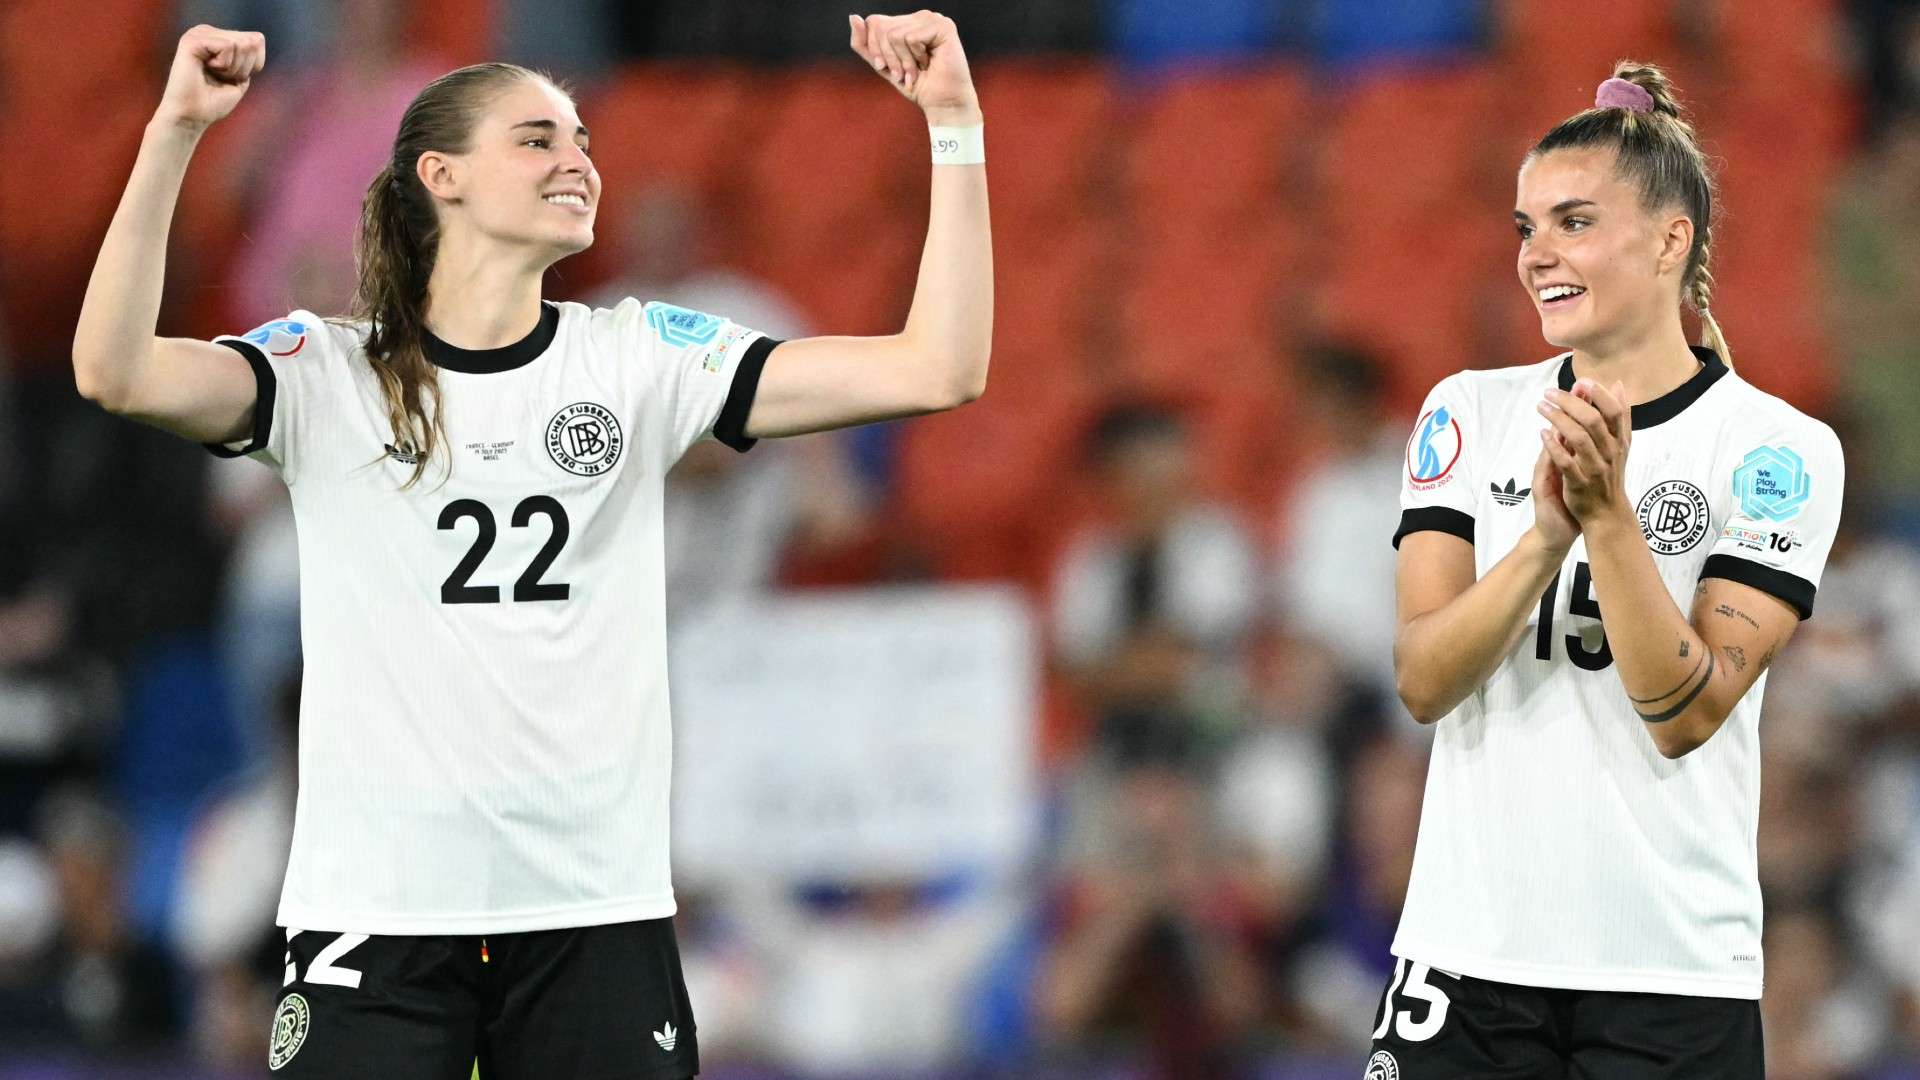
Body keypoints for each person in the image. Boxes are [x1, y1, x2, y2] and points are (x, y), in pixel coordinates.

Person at [70, 14, 989, 1078]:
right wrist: (175, 132)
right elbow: (115, 372)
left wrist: (954, 127)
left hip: (594, 919)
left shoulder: (639, 355)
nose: (578, 160)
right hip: (378, 919)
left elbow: (939, 370)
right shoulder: (327, 374)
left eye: (583, 139)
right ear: (442, 176)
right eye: (538, 138)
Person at [1378, 64, 1844, 1078]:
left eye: (1574, 222)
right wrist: (1545, 539)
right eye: (1525, 227)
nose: (1538, 254)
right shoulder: (1468, 412)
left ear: (1671, 239)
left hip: (1670, 979)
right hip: (1465, 964)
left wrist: (1608, 519)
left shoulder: (1777, 453)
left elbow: (1684, 713)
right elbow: (1422, 679)